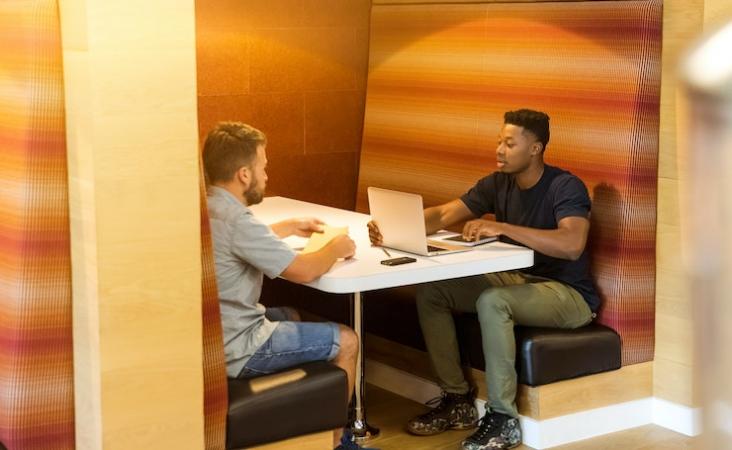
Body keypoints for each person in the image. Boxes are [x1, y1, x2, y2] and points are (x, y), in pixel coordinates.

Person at [368, 109, 600, 450]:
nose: (499, 150)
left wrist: (502, 227)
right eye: (498, 141)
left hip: (568, 294)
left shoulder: (564, 186)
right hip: (518, 279)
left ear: (535, 149)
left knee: (493, 302)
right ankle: (458, 401)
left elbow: (571, 244)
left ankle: (504, 419)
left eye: (509, 144)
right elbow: (445, 213)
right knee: (434, 291)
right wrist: (392, 227)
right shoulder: (498, 182)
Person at [203, 121, 369, 450]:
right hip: (239, 346)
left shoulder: (208, 206)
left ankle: (306, 427)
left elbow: (241, 241)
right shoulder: (238, 220)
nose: (266, 176)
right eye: (263, 167)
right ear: (244, 175)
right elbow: (304, 271)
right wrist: (335, 248)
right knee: (347, 340)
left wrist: (288, 226)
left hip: (212, 337)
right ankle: (338, 443)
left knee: (290, 314)